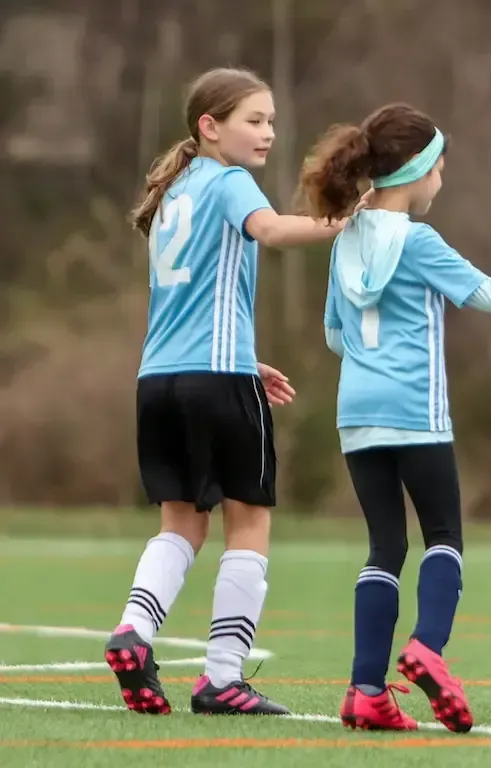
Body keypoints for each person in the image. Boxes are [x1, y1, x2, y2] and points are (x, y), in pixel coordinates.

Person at [104, 67, 358, 716]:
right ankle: (221, 677)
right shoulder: (228, 181)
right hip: (215, 382)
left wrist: (246, 359)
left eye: (271, 120)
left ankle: (134, 631)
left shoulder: (174, 190)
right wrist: (348, 222)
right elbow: (272, 232)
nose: (268, 131)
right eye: (254, 119)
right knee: (248, 524)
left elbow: (193, 305)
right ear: (209, 126)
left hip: (159, 381)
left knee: (180, 526)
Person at [298, 103, 491, 733]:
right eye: (440, 168)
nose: (442, 179)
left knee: (385, 547)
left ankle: (365, 691)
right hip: (417, 412)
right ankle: (427, 650)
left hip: (356, 416)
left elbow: (335, 335)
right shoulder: (418, 242)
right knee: (444, 537)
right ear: (417, 171)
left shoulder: (345, 235)